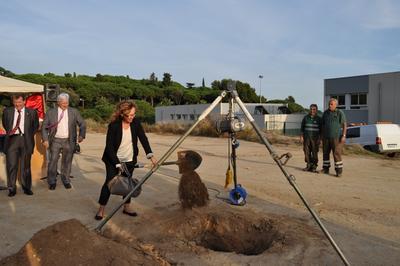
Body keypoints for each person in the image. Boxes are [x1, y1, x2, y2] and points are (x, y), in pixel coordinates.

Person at [96, 100, 157, 220]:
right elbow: (109, 147)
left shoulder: (136, 123)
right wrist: (117, 164)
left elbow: (143, 139)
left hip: (130, 159)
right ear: (122, 114)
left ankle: (126, 206)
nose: (132, 117)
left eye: (134, 114)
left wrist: (150, 155)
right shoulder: (114, 125)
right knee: (110, 182)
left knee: (127, 183)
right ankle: (101, 209)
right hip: (113, 159)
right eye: (130, 115)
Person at [42, 93, 86, 190]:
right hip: (55, 140)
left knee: (67, 161)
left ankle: (66, 179)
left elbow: (82, 123)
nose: (65, 105)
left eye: (67, 103)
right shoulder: (51, 112)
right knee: (53, 161)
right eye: (63, 103)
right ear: (58, 103)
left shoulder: (74, 112)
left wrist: (82, 135)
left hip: (69, 140)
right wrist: (45, 139)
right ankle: (52, 181)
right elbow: (44, 127)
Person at [2, 94, 39, 196]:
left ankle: (26, 187)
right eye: (15, 102)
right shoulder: (7, 111)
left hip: (26, 140)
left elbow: (35, 126)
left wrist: (27, 135)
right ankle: (12, 188)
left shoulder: (32, 112)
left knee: (25, 166)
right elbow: (5, 124)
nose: (17, 104)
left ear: (24, 101)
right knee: (11, 165)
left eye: (19, 102)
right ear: (13, 102)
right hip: (12, 141)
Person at [321, 98, 347, 177]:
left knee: (336, 154)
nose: (330, 105)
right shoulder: (325, 113)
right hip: (326, 137)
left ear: (336, 105)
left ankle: (339, 171)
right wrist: (321, 136)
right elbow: (322, 124)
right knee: (325, 153)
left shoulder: (339, 113)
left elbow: (344, 124)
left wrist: (344, 135)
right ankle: (325, 169)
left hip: (336, 138)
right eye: (329, 104)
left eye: (332, 104)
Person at [300, 104, 322, 173]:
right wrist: (301, 136)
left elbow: (321, 130)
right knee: (306, 152)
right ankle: (308, 165)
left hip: (315, 139)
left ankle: (314, 166)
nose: (312, 111)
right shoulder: (306, 118)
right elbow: (302, 128)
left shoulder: (319, 119)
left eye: (314, 109)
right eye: (311, 109)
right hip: (306, 138)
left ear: (316, 110)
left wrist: (320, 139)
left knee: (315, 153)